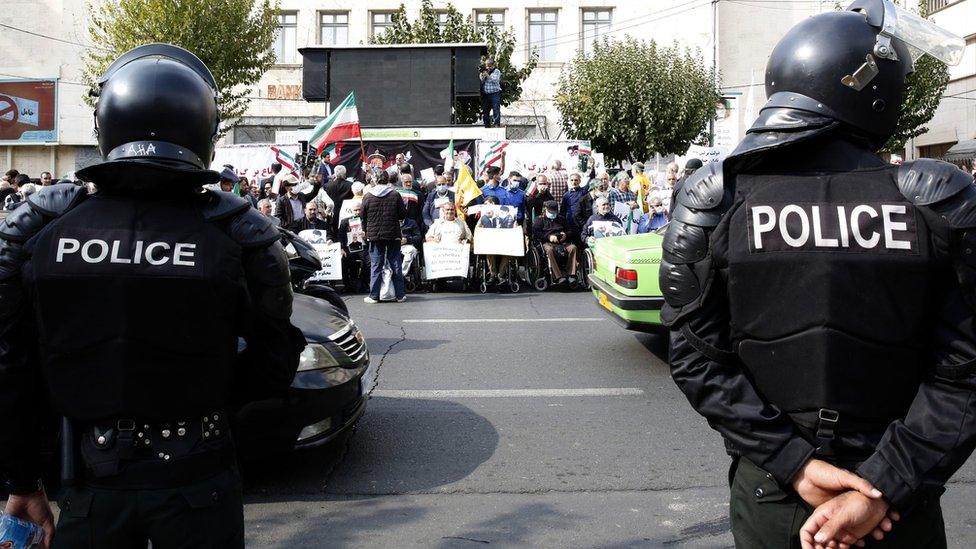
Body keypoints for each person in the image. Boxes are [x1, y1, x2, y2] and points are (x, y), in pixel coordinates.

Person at [659, 3, 972, 548]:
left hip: (777, 490)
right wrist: (882, 486)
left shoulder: (717, 198)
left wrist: (794, 463)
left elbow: (695, 357)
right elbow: (964, 370)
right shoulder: (935, 202)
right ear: (872, 90)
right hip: (896, 501)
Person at [0, 43, 304, 548]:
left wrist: (21, 480)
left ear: (105, 126)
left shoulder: (42, 229)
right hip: (200, 476)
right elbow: (275, 360)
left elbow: (11, 364)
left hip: (94, 484)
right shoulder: (239, 232)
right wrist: (210, 392)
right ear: (204, 130)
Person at [360, 171, 407, 303]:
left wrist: (365, 230)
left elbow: (362, 216)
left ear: (375, 180)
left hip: (374, 235)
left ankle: (374, 296)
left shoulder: (368, 196)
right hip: (393, 234)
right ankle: (400, 295)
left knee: (376, 265)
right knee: (395, 263)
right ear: (387, 180)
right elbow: (402, 214)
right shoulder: (395, 194)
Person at [532, 200, 577, 285]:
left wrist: (565, 235)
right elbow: (536, 233)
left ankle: (571, 274)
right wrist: (548, 237)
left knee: (573, 248)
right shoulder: (539, 220)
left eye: (554, 212)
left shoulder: (561, 219)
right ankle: (558, 276)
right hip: (547, 242)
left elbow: (570, 231)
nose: (552, 214)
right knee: (549, 250)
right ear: (545, 210)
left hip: (562, 242)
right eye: (550, 212)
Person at [337, 202, 369, 292]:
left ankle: (364, 283)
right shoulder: (345, 222)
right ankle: (347, 285)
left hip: (364, 247)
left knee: (370, 261)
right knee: (342, 260)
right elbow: (340, 236)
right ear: (351, 211)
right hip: (349, 248)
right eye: (355, 210)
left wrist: (366, 235)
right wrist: (342, 248)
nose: (357, 212)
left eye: (359, 209)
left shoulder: (367, 221)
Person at [560, 172, 588, 238]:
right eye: (572, 180)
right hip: (570, 221)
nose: (574, 182)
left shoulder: (584, 192)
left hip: (581, 221)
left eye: (576, 180)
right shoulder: (566, 195)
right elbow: (562, 210)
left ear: (580, 181)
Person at [479, 58, 502, 128]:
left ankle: (496, 125)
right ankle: (487, 126)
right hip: (486, 94)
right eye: (487, 66)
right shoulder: (484, 71)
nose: (488, 67)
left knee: (496, 110)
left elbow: (495, 80)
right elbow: (481, 79)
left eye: (489, 66)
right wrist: (483, 75)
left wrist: (488, 75)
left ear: (493, 66)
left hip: (495, 93)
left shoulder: (497, 71)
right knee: (485, 111)